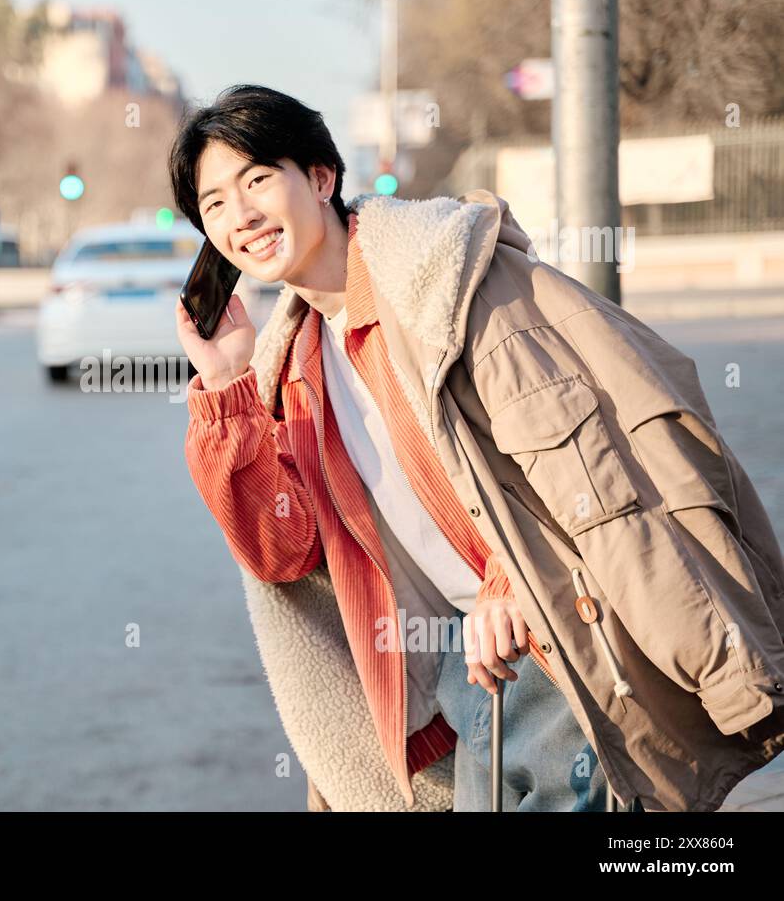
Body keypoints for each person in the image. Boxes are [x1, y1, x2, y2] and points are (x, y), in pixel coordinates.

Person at [170, 84, 784, 811]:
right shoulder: (295, 364)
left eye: (257, 180)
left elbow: (587, 450)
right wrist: (228, 381)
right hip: (463, 670)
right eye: (214, 204)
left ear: (322, 177)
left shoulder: (452, 282)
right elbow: (284, 556)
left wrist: (508, 579)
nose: (240, 216)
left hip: (559, 640)